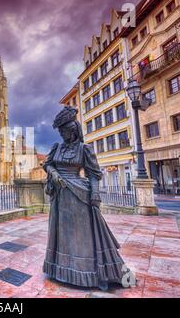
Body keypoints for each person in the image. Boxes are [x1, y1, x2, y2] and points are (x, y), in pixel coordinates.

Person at [43, 106, 132, 291]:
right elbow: (48, 165)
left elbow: (93, 174)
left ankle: (88, 273)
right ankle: (60, 269)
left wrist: (95, 195)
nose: (61, 134)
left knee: (81, 235)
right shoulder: (57, 148)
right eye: (60, 131)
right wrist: (54, 174)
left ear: (73, 130)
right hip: (60, 197)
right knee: (62, 234)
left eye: (64, 131)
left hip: (79, 196)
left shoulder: (85, 149)